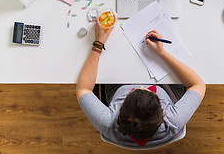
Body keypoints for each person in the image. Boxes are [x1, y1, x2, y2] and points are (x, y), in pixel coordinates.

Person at [76, 23, 206, 148]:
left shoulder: (108, 123)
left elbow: (83, 88)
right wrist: (162, 53)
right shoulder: (172, 121)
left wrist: (98, 43)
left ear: (121, 112)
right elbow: (198, 84)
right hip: (167, 89)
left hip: (118, 86)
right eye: (149, 93)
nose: (142, 86)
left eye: (135, 91)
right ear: (162, 114)